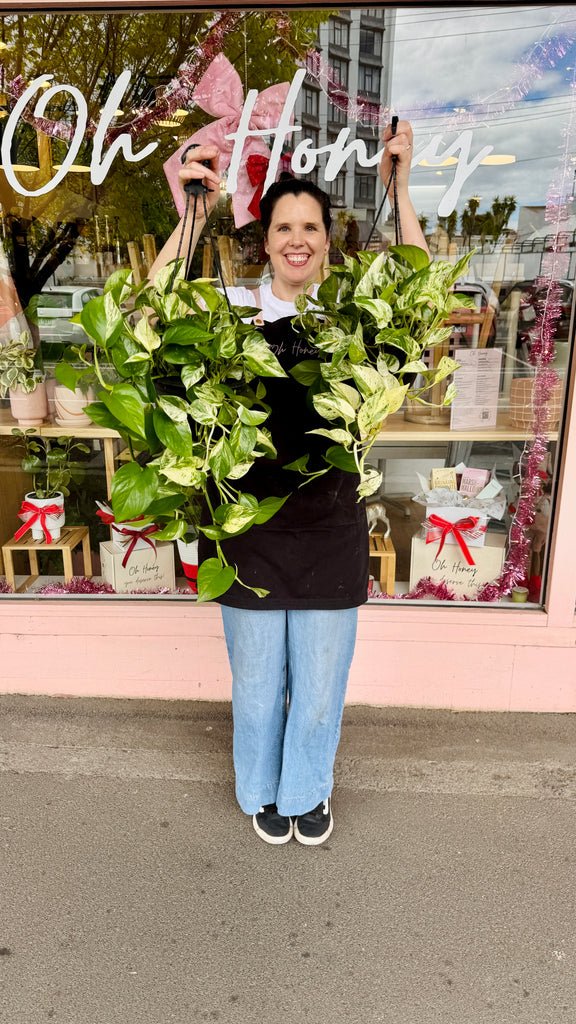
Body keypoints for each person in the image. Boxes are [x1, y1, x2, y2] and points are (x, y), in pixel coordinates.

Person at [150, 121, 429, 846]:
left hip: (331, 529)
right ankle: (260, 788)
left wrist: (402, 186)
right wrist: (191, 211)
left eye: (311, 226)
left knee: (317, 693)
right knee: (256, 689)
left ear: (327, 243)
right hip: (247, 532)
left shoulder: (351, 320)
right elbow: (149, 308)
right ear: (265, 241)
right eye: (284, 226)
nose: (297, 238)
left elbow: (420, 298)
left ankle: (307, 790)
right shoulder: (234, 312)